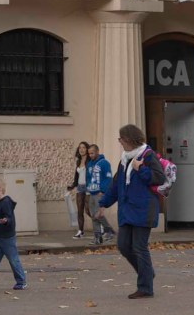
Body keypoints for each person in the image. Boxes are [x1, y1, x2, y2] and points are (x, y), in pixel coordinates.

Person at [94, 123, 164, 300]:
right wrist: (103, 204)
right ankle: (146, 272)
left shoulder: (147, 156)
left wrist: (141, 168)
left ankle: (145, 287)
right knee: (124, 246)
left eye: (121, 139)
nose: (119, 142)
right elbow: (116, 185)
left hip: (143, 209)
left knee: (139, 248)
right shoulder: (125, 159)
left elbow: (158, 178)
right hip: (127, 210)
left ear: (129, 139)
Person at [86, 144, 116, 245]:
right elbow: (88, 178)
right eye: (89, 153)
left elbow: (108, 178)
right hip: (91, 192)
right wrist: (88, 187)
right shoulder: (89, 164)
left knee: (97, 214)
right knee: (93, 215)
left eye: (92, 153)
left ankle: (109, 230)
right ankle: (97, 237)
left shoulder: (104, 163)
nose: (90, 155)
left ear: (97, 152)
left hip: (99, 193)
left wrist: (103, 191)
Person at [66, 141, 90, 238]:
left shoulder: (90, 161)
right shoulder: (78, 161)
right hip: (80, 187)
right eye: (80, 148)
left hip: (88, 187)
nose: (81, 149)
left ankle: (101, 227)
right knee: (79, 210)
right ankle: (80, 231)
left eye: (83, 147)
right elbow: (76, 176)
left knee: (88, 210)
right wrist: (72, 186)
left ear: (87, 149)